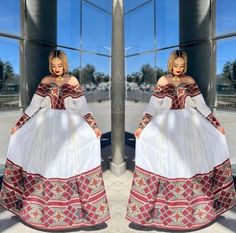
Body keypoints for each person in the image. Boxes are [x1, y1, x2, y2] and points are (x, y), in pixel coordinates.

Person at [0, 50, 110, 230]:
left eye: (59, 65)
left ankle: (71, 213)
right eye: (53, 66)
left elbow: (82, 107)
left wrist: (94, 126)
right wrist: (19, 125)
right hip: (46, 126)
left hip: (69, 127)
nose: (56, 69)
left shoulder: (73, 81)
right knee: (46, 166)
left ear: (64, 64)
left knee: (66, 166)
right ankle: (38, 211)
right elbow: (33, 106)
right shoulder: (45, 81)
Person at [126, 50, 236, 230]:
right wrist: (141, 126)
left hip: (188, 125)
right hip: (166, 126)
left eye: (182, 65)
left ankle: (196, 212)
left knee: (188, 166)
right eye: (176, 65)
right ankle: (164, 213)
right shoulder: (163, 81)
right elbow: (153, 107)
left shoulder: (190, 81)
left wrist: (216, 125)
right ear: (170, 64)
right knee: (169, 166)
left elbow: (201, 105)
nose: (179, 68)